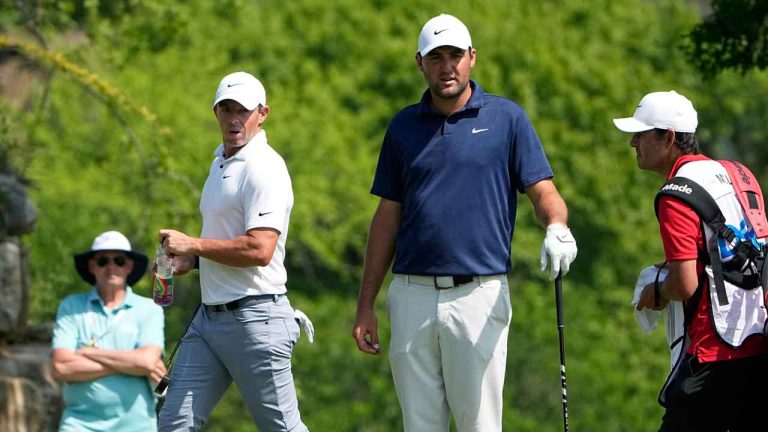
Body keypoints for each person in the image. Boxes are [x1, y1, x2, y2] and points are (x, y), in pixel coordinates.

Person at [351, 14, 578, 432]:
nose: (446, 66)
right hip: (410, 295)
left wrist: (556, 227)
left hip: (478, 294)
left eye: (455, 55)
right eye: (436, 57)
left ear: (472, 58)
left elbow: (544, 192)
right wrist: (366, 304)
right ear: (420, 63)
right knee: (419, 426)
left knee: (480, 426)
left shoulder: (507, 119)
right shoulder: (402, 126)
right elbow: (387, 217)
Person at [156, 71, 308, 432]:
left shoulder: (264, 166)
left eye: (243, 109)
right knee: (173, 425)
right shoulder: (219, 162)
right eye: (226, 109)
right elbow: (226, 240)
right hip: (208, 319)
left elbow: (260, 248)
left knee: (282, 429)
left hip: (256, 318)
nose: (234, 118)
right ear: (216, 113)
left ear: (263, 113)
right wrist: (191, 260)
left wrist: (193, 243)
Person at [616, 90, 768, 431]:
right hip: (757, 344)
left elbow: (685, 285)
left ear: (668, 137)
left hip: (712, 354)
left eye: (640, 134)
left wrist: (657, 292)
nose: (633, 144)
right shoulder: (739, 174)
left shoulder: (675, 196)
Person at [51, 230, 166, 432]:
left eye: (119, 260)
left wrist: (88, 352)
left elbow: (148, 361)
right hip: (78, 424)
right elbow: (60, 368)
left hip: (137, 426)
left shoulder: (150, 308)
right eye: (103, 260)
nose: (111, 267)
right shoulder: (71, 307)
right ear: (92, 266)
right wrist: (133, 365)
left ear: (129, 266)